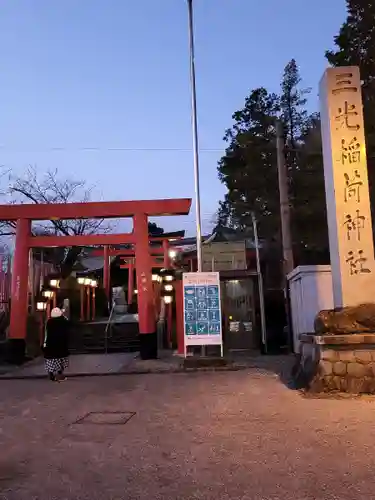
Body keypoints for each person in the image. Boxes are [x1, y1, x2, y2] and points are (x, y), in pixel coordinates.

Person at [43, 307, 70, 382]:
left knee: (51, 362)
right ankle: (60, 375)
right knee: (61, 361)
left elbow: (46, 334)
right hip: (61, 346)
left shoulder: (49, 322)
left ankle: (51, 374)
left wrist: (44, 343)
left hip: (51, 346)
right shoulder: (64, 321)